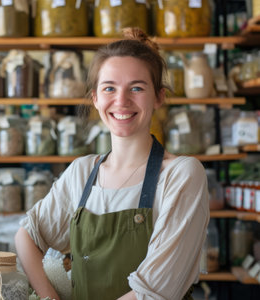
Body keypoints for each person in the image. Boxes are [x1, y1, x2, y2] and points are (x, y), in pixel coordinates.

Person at [15, 28, 210, 300]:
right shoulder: (82, 172)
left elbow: (155, 292)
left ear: (158, 97)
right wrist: (50, 297)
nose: (121, 101)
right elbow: (27, 235)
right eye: (109, 88)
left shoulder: (181, 174)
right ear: (95, 98)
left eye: (137, 88)